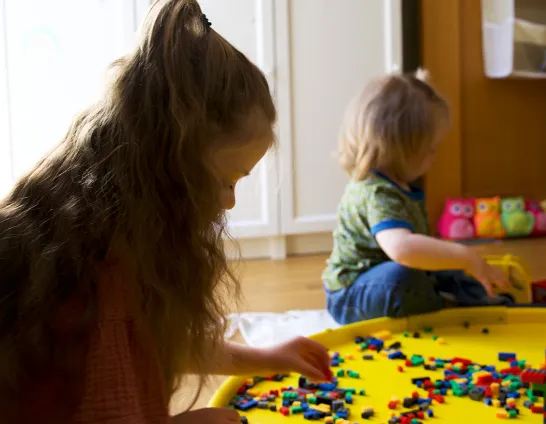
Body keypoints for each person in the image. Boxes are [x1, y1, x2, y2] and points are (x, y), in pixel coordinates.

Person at [0, 1, 330, 423]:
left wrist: (264, 357)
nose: (230, 201)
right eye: (228, 179)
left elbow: (155, 337)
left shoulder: (97, 214)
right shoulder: (101, 273)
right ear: (172, 164)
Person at [322, 69, 513, 325]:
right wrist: (464, 256)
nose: (435, 157)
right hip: (351, 296)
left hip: (385, 280)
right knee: (404, 279)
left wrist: (458, 262)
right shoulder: (376, 192)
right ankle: (448, 306)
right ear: (402, 149)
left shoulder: (400, 185)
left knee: (446, 269)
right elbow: (402, 249)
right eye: (430, 149)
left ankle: (472, 297)